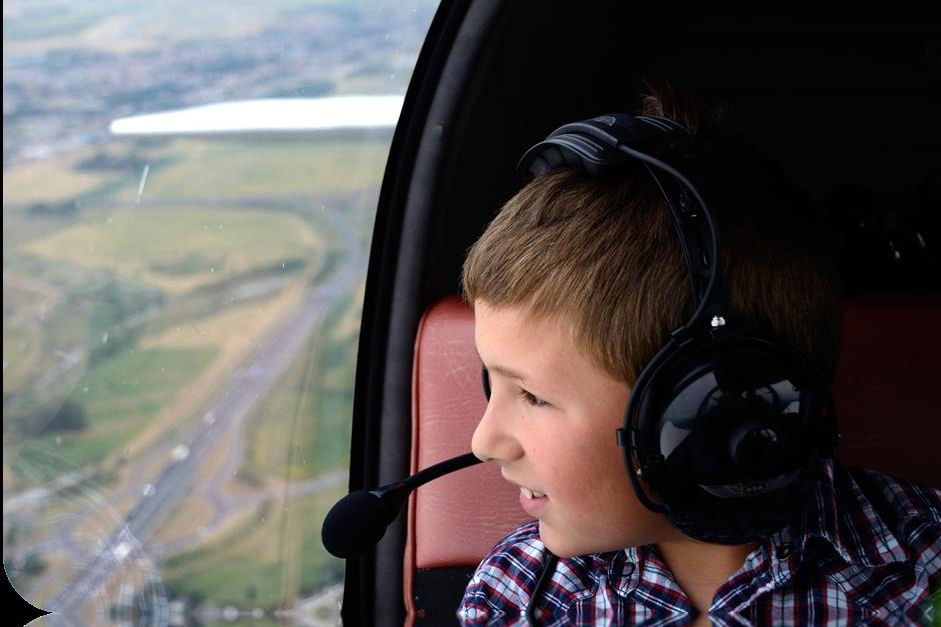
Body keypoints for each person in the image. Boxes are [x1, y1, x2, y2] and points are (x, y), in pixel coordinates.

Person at [456, 89, 941, 626]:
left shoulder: (923, 574)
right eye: (491, 379)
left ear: (713, 407)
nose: (483, 443)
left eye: (534, 395)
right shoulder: (517, 593)